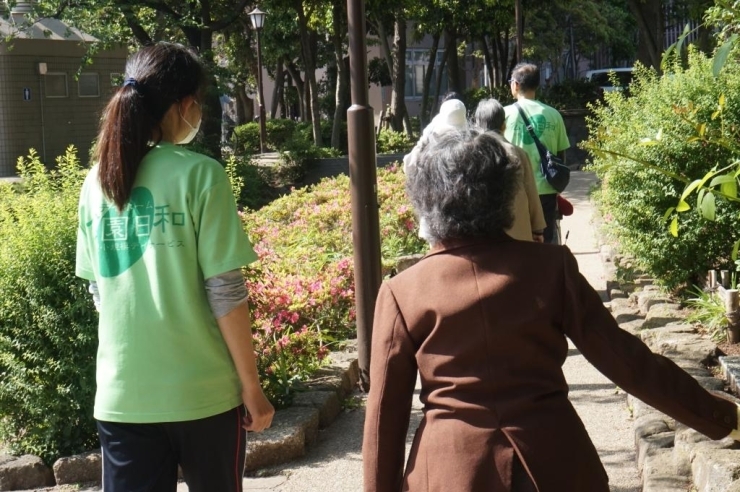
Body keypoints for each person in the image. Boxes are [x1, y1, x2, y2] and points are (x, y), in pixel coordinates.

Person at [362, 127, 740, 492]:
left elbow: (383, 419)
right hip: (555, 462)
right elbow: (626, 360)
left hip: (449, 471)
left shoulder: (401, 292)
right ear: (505, 192)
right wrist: (721, 417)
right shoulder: (551, 267)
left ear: (425, 197)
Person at [75, 42, 274, 492]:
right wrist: (252, 387)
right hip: (202, 395)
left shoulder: (96, 184)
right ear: (184, 105)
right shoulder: (201, 175)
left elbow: (101, 294)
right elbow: (224, 291)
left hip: (123, 397)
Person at [504, 63, 570, 244]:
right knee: (546, 244)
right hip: (546, 190)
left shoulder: (505, 115)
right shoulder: (554, 115)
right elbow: (560, 156)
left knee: (517, 243)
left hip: (515, 191)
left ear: (515, 85)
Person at [475, 98, 546, 242]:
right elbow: (530, 191)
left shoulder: (470, 155)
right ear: (503, 125)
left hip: (481, 235)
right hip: (517, 233)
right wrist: (537, 229)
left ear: (476, 124)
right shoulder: (517, 153)